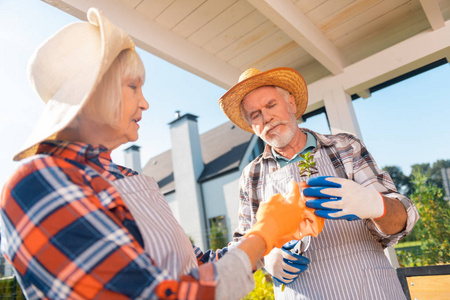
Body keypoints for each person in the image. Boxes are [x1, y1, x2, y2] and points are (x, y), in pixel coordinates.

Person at [0, 9, 311, 300]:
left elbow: (192, 265)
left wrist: (266, 239)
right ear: (95, 92)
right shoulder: (36, 183)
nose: (146, 102)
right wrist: (263, 233)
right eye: (133, 86)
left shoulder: (132, 179)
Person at [218, 67, 420, 299]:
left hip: (371, 288)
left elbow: (404, 220)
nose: (266, 118)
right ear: (252, 126)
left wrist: (375, 204)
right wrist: (267, 258)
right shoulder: (251, 175)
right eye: (255, 114)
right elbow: (244, 243)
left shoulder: (345, 147)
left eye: (271, 105)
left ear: (291, 105)